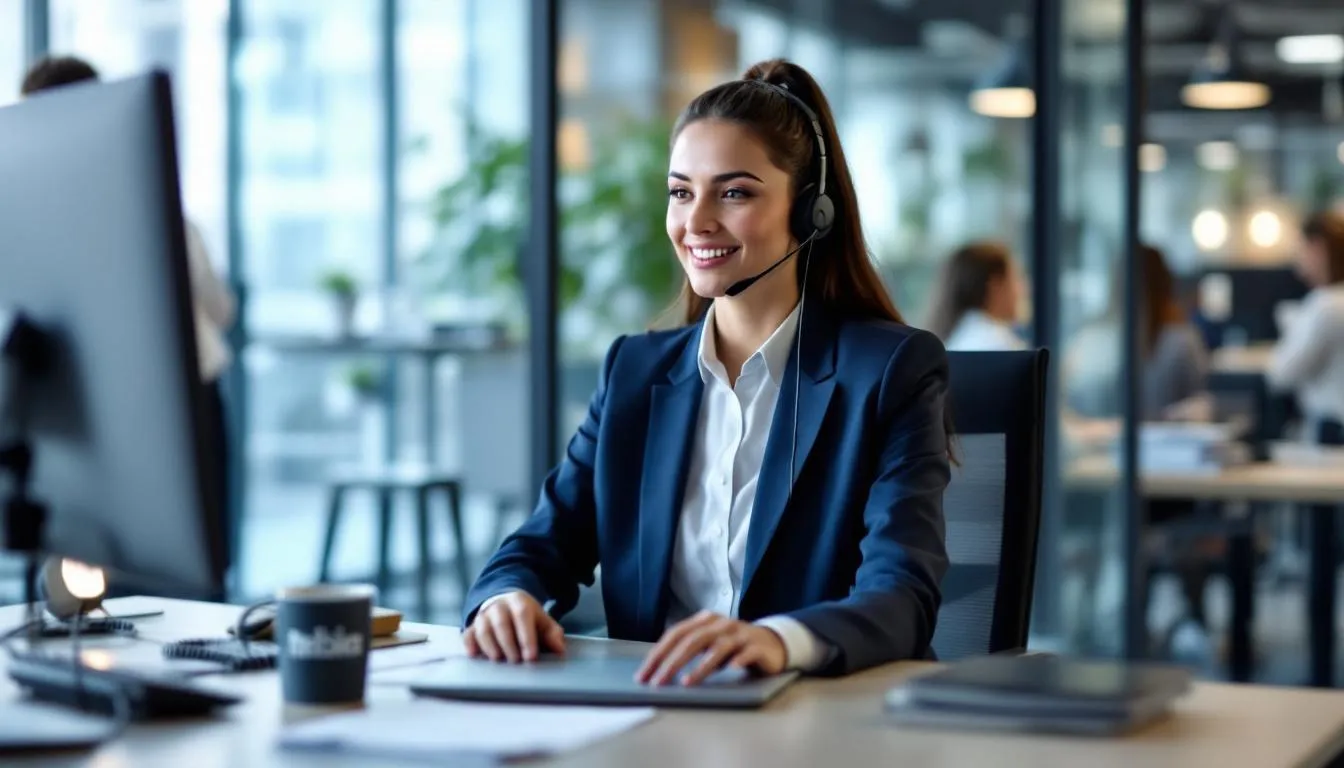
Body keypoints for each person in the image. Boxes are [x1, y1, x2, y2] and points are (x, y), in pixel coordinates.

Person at [461, 59, 951, 685]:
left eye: (735, 192)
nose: (696, 222)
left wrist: (777, 642)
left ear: (810, 213)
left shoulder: (888, 372)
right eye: (681, 192)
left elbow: (902, 596)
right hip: (656, 713)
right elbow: (539, 546)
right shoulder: (635, 373)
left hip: (819, 718)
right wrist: (506, 600)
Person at [22, 55, 239, 584]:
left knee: (187, 564)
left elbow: (219, 312)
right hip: (106, 409)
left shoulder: (156, 215)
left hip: (183, 399)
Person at [1064, 245, 1208, 420]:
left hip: (1101, 441)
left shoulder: (1089, 338)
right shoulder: (1182, 339)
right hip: (1162, 441)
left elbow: (1070, 406)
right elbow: (1198, 405)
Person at [1268, 210, 1344, 447]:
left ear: (1317, 248)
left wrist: (1292, 325)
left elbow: (1281, 374)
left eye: (1301, 249)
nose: (1298, 260)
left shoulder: (1325, 305)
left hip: (1332, 429)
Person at [925, 240, 1026, 351]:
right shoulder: (998, 344)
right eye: (1016, 279)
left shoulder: (957, 336)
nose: (1024, 289)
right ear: (995, 286)